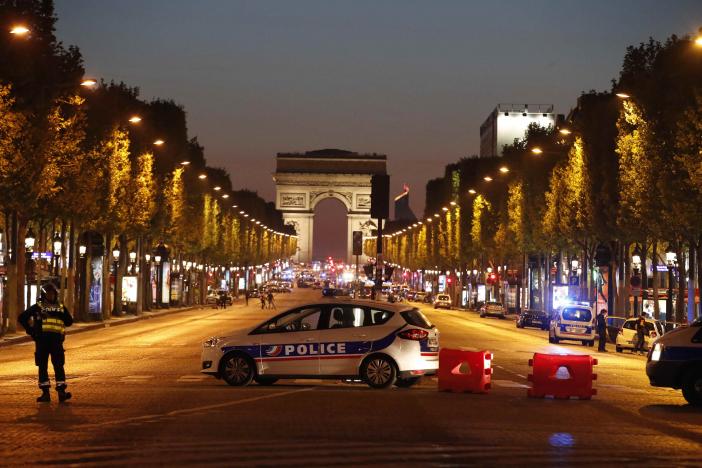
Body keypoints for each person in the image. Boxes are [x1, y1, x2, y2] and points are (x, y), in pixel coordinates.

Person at [18, 283, 74, 403]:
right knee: (42, 367)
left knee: (59, 366)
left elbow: (69, 322)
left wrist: (61, 315)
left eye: (52, 293)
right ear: (44, 295)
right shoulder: (38, 307)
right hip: (42, 341)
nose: (51, 296)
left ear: (56, 294)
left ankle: (61, 392)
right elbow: (22, 317)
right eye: (48, 293)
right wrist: (31, 331)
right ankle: (45, 394)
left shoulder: (60, 307)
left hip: (56, 342)